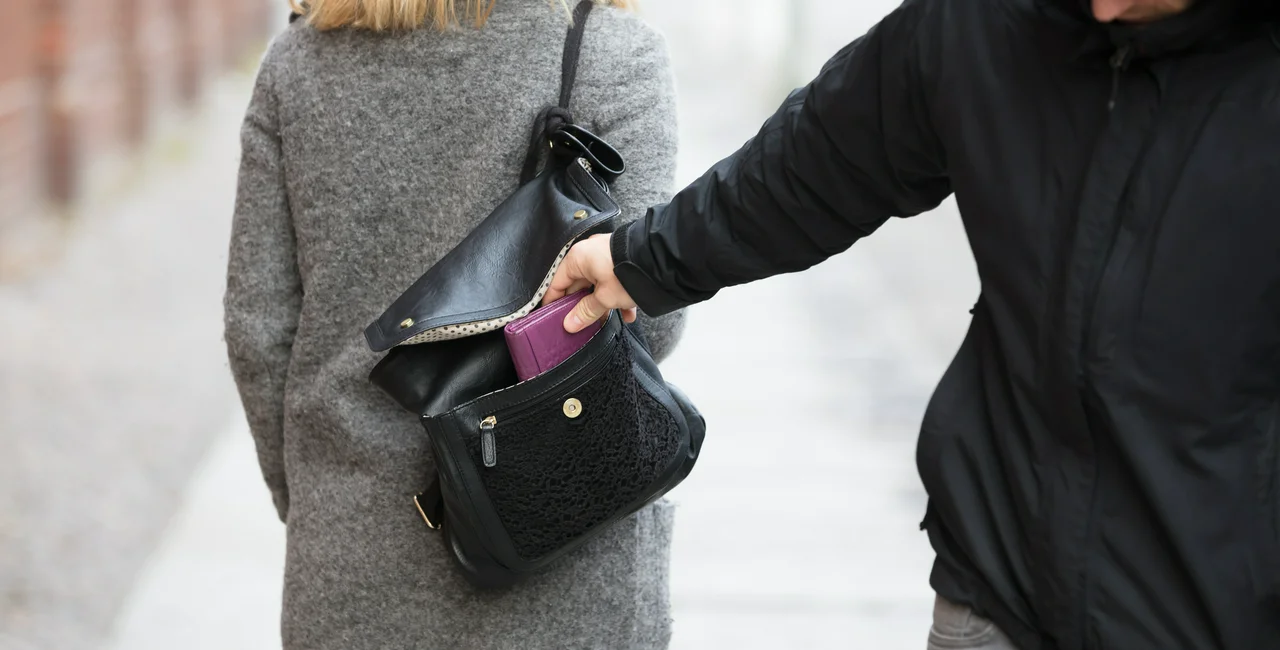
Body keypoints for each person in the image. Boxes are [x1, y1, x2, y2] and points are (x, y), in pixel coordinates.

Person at [546, 0, 1280, 648]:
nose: (1106, 8)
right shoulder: (987, 20)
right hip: (996, 594)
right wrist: (640, 259)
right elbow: (821, 161)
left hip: (1211, 613)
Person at [222, 1, 685, 648]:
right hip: (566, 558)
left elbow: (257, 330)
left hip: (352, 562)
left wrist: (314, 507)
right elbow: (651, 320)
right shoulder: (612, 54)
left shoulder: (296, 67)